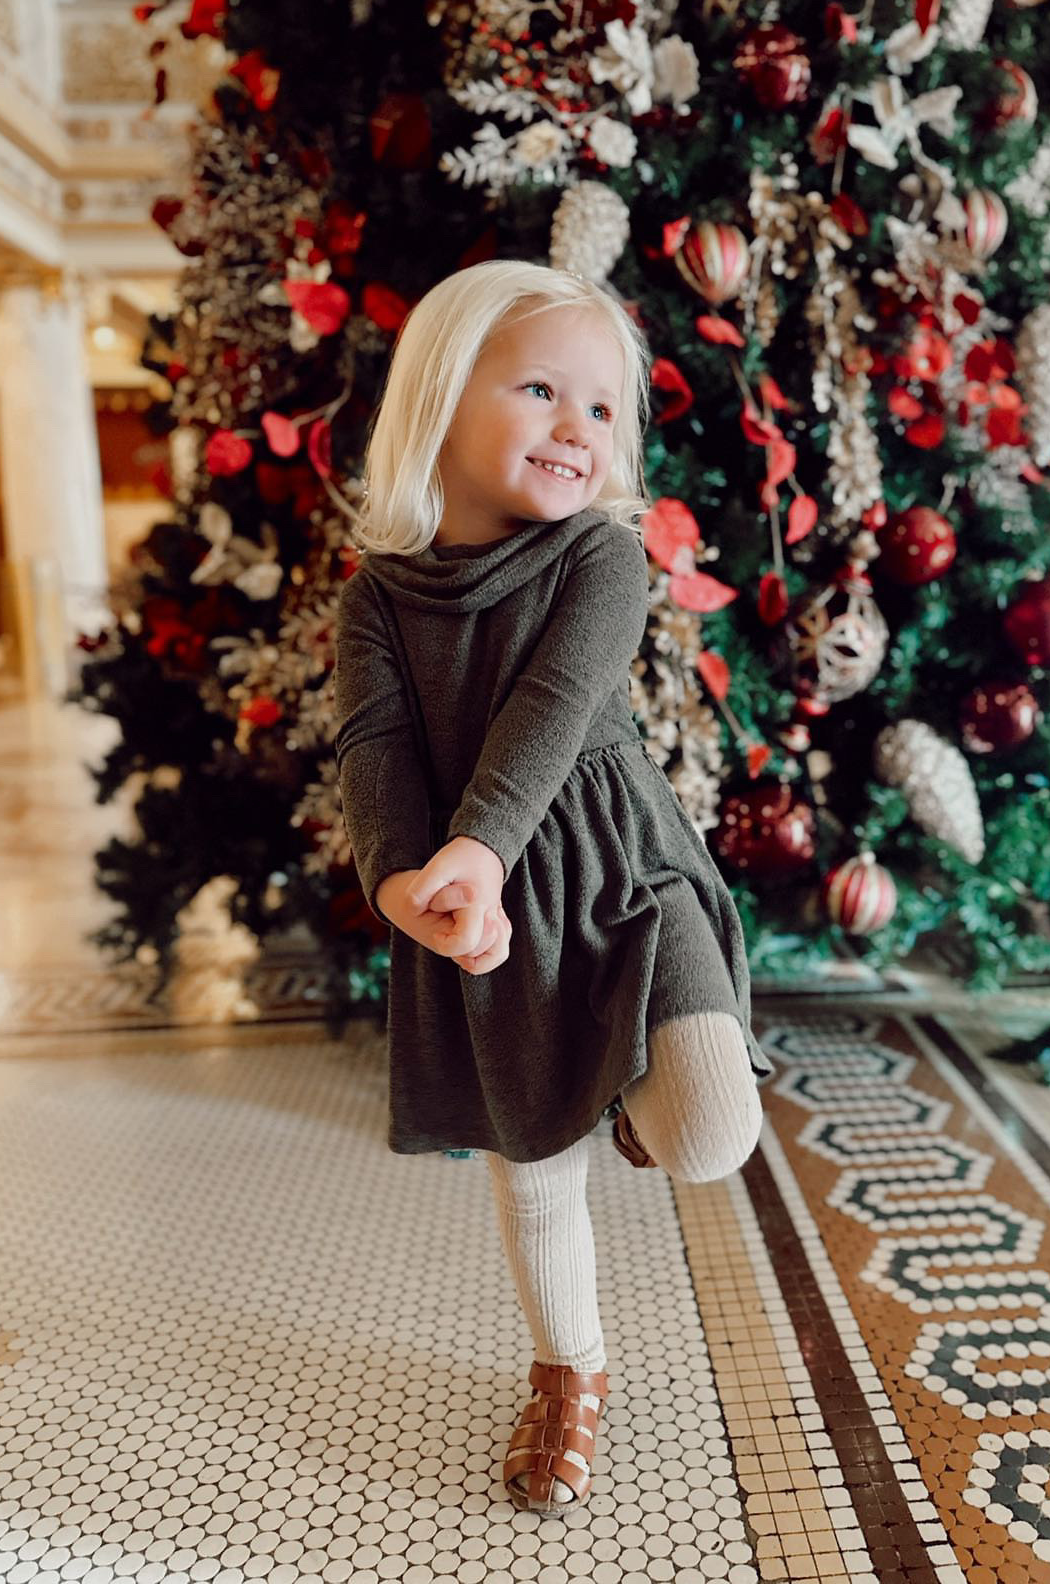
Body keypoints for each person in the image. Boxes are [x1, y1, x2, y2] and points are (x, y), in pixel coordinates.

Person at [333, 258, 774, 1516]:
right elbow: (376, 756)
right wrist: (407, 886)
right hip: (491, 915)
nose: (578, 429)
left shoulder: (603, 558)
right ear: (440, 399)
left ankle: (627, 1095)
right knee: (533, 1169)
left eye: (602, 408)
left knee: (710, 1129)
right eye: (541, 389)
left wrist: (480, 845)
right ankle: (570, 1370)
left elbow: (551, 709)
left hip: (628, 877)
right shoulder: (376, 602)